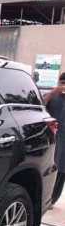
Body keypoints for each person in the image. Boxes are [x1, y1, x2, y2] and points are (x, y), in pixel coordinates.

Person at [44, 72, 65, 209]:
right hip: (51, 138)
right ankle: (45, 197)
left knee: (62, 169)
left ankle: (53, 199)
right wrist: (52, 93)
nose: (63, 86)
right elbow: (41, 106)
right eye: (62, 83)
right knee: (49, 166)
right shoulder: (52, 95)